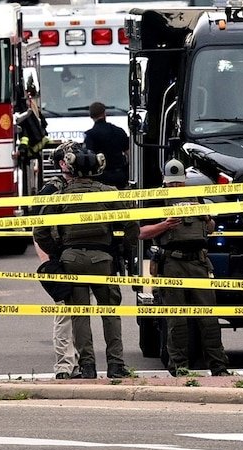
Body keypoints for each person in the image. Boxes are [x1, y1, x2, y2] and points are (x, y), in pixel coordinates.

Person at [33, 147, 137, 379]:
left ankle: (87, 367)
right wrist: (122, 248)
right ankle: (116, 365)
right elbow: (132, 224)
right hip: (104, 260)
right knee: (110, 312)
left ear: (71, 168)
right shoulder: (109, 193)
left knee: (80, 314)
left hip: (71, 261)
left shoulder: (60, 196)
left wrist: (57, 252)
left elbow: (39, 230)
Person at [139, 159, 230, 376]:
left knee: (208, 319)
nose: (174, 188)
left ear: (184, 181)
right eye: (171, 184)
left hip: (198, 262)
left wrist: (205, 214)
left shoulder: (195, 195)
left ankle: (218, 367)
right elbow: (141, 232)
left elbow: (210, 228)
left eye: (178, 183)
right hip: (171, 263)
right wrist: (165, 224)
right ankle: (179, 367)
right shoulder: (156, 199)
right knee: (176, 320)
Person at [33, 142, 79, 379]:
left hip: (81, 256)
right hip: (59, 258)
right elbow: (37, 229)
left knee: (82, 314)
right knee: (64, 314)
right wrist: (48, 263)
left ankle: (80, 363)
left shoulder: (85, 186)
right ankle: (64, 365)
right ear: (62, 163)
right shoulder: (51, 190)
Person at [84, 101, 130, 188]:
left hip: (100, 178)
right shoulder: (119, 131)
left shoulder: (90, 135)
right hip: (119, 176)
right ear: (105, 113)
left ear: (91, 116)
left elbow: (88, 159)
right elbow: (129, 154)